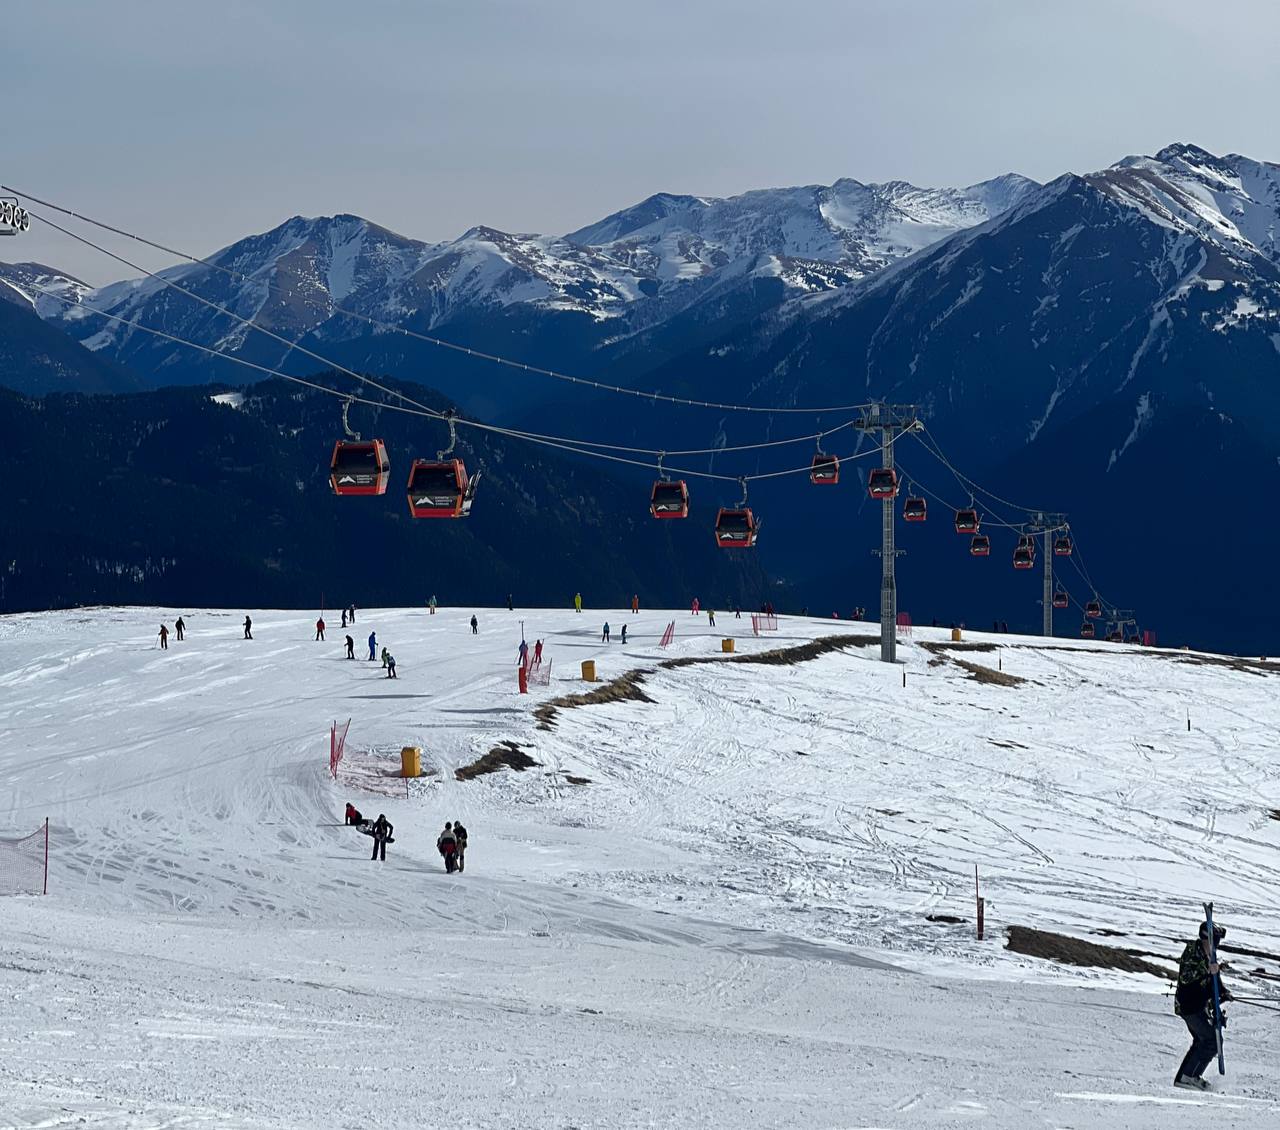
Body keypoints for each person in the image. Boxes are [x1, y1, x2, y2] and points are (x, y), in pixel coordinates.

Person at [1174, 918, 1232, 1089]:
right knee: (1212, 1041)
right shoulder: (1193, 952)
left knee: (1203, 1040)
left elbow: (1213, 983)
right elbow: (1187, 977)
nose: (1218, 945)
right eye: (1216, 941)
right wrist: (1209, 970)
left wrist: (1223, 993)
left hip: (1199, 1006)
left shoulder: (1209, 956)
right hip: (1189, 1005)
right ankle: (1189, 1076)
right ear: (1207, 938)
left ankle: (1184, 1078)